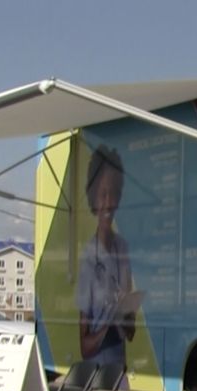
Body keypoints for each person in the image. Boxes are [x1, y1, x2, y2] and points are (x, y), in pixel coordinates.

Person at [77, 144, 136, 372]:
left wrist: (125, 318)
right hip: (97, 372)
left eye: (114, 193)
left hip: (119, 370)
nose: (109, 202)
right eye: (103, 194)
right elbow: (84, 347)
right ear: (93, 200)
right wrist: (108, 328)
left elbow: (131, 333)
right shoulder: (88, 259)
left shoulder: (123, 248)